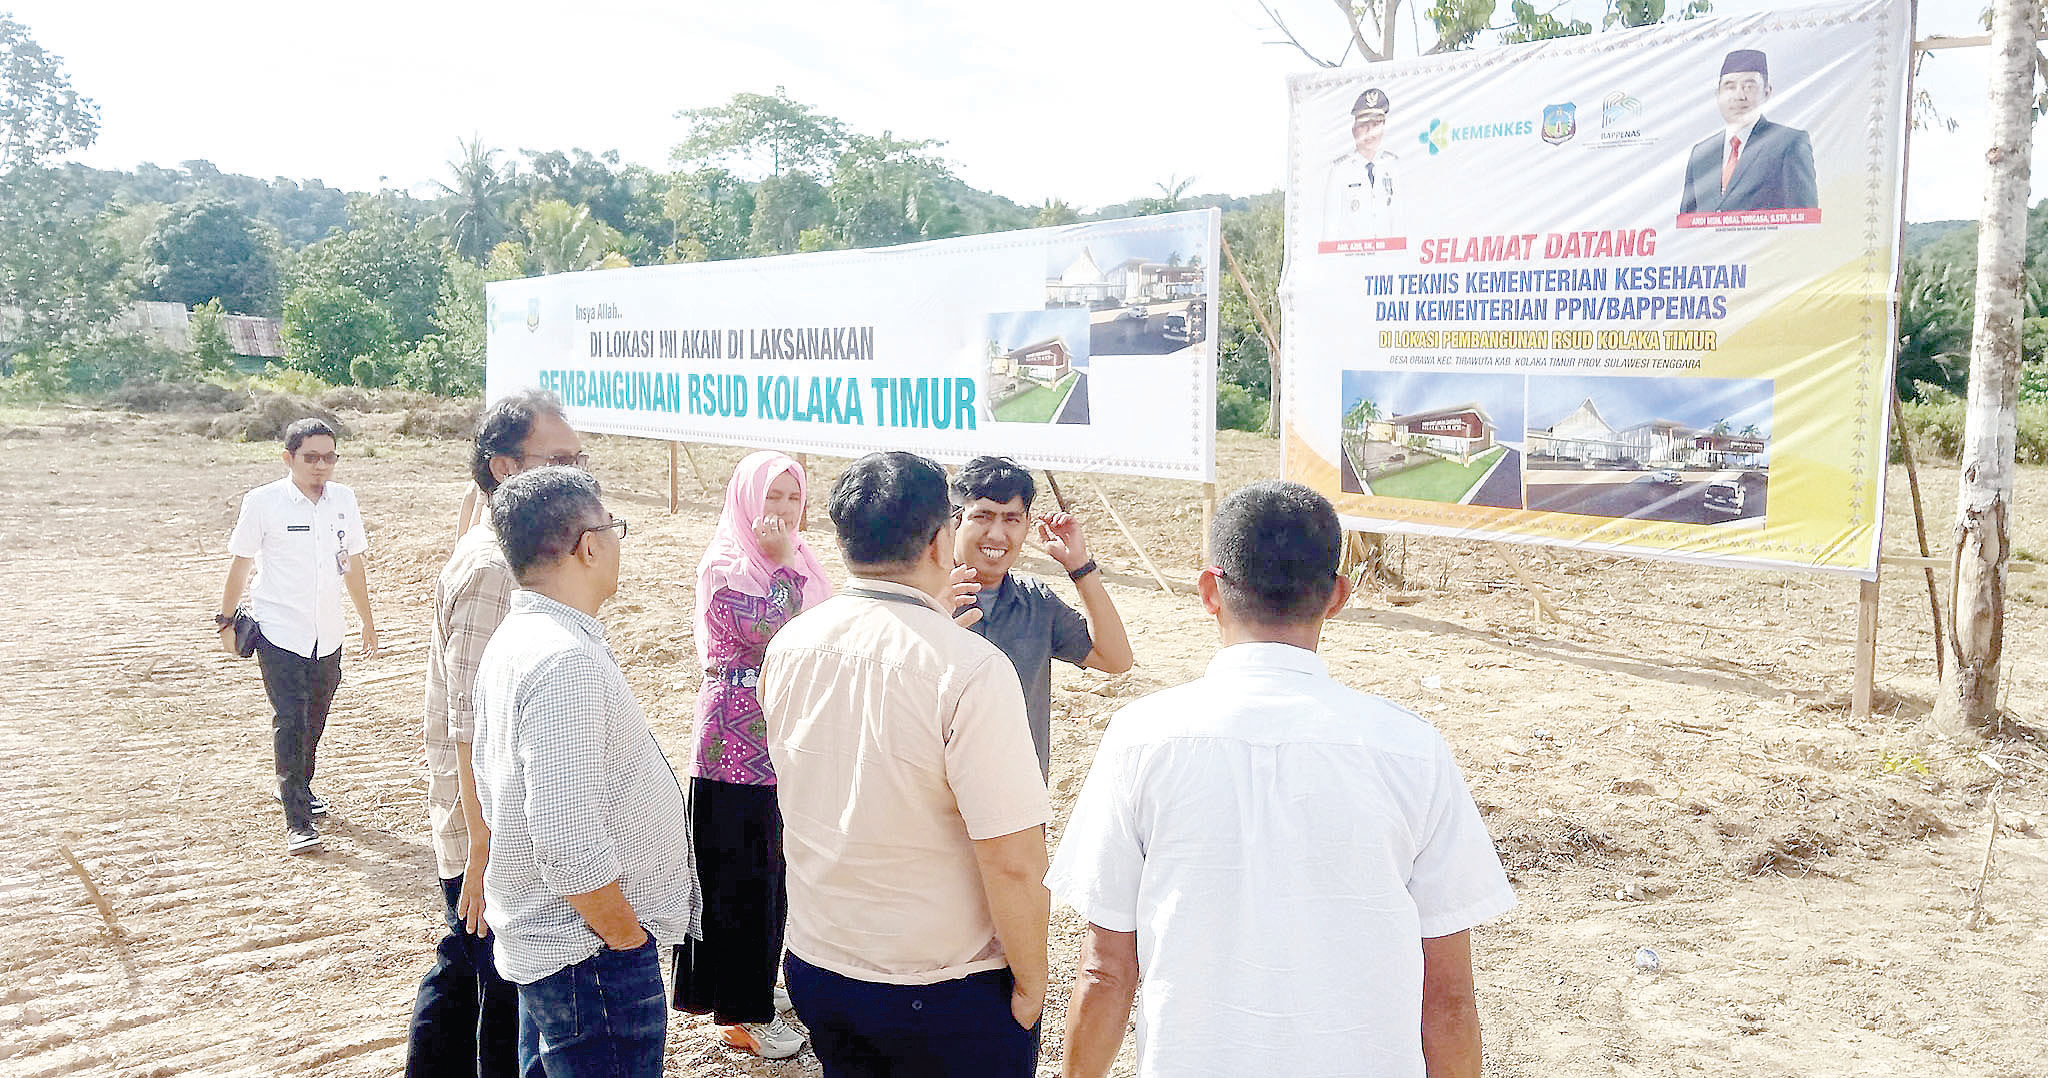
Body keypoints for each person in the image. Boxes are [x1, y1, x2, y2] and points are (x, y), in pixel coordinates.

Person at [1047, 480, 1516, 1078]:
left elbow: (1106, 970)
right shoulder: (1411, 749)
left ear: (1210, 591)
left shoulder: (1140, 739)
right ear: (1337, 597)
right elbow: (1448, 995)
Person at [760, 451, 1050, 1077]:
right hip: (944, 983)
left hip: (821, 959)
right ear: (942, 540)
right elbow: (1013, 858)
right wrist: (1032, 980)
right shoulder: (969, 668)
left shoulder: (791, 643)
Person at [471, 467, 699, 1078]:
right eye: (612, 528)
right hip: (590, 953)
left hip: (563, 948)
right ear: (589, 545)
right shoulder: (563, 659)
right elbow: (567, 839)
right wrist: (626, 938)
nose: (617, 543)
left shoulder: (521, 638)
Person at [405, 388, 583, 1077]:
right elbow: (467, 725)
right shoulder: (491, 567)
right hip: (492, 826)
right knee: (499, 997)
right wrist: (482, 851)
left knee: (462, 973)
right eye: (558, 459)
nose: (577, 474)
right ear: (505, 466)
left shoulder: (521, 555)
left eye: (580, 458)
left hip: (499, 821)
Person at [673, 451, 831, 1061]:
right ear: (745, 501)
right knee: (739, 876)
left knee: (776, 873)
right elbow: (773, 631)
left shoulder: (802, 560)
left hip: (786, 741)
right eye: (771, 498)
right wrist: (782, 569)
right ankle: (740, 1013)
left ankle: (757, 985)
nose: (782, 511)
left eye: (792, 498)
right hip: (733, 749)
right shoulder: (727, 567)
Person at [216, 417, 378, 856]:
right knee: (290, 719)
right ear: (289, 458)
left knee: (316, 718)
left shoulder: (344, 501)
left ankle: (298, 783)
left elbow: (353, 564)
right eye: (311, 457)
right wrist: (225, 620)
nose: (321, 466)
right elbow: (241, 563)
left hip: (327, 632)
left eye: (329, 457)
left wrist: (366, 619)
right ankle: (297, 820)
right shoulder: (264, 503)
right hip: (278, 630)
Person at [950, 457, 1133, 778]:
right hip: (939, 806)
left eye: (1011, 519)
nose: (997, 534)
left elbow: (1115, 659)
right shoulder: (923, 600)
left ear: (1026, 525)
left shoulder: (1035, 601)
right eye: (982, 516)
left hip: (1018, 801)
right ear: (954, 520)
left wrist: (1080, 568)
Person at [1677, 48, 1818, 215]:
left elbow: (1804, 217)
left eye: (1749, 87)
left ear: (1767, 92)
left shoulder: (1789, 143)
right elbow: (1686, 221)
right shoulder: (1701, 153)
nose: (1739, 96)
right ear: (1718, 94)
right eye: (1730, 87)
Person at [1321, 87, 1398, 242]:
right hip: (1353, 261)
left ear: (1383, 128)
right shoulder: (1340, 170)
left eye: (1376, 124)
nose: (1370, 132)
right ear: (1354, 130)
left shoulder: (1393, 165)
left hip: (1388, 259)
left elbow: (1399, 221)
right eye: (1364, 125)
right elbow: (1331, 227)